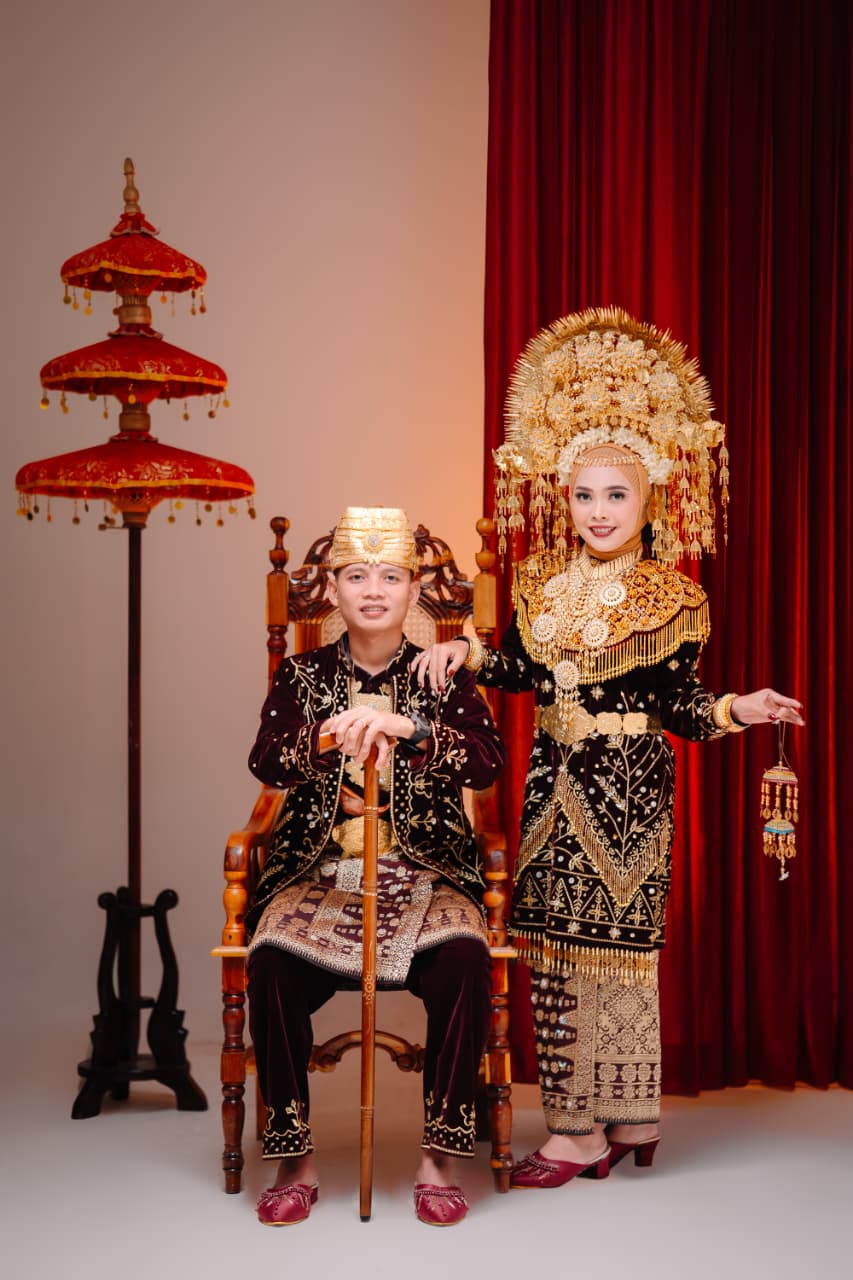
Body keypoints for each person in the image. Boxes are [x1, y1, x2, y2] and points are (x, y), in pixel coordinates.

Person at [411, 309, 804, 1189]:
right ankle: (613, 1125)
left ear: (647, 499)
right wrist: (468, 652)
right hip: (551, 781)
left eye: (614, 496)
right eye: (583, 495)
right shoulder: (541, 585)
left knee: (615, 957)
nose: (596, 512)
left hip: (629, 790)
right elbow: (522, 671)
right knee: (554, 951)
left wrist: (738, 709)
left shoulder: (673, 596)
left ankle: (590, 1132)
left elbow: (679, 708)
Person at [245, 506, 505, 1226]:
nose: (373, 591)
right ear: (332, 590)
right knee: (270, 965)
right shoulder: (300, 674)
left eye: (390, 577)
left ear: (414, 589)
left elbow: (486, 765)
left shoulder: (441, 672)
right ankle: (293, 1157)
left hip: (424, 873)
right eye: (356, 576)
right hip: (319, 874)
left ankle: (439, 1157)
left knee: (464, 960)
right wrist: (331, 737)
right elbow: (266, 760)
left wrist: (411, 728)